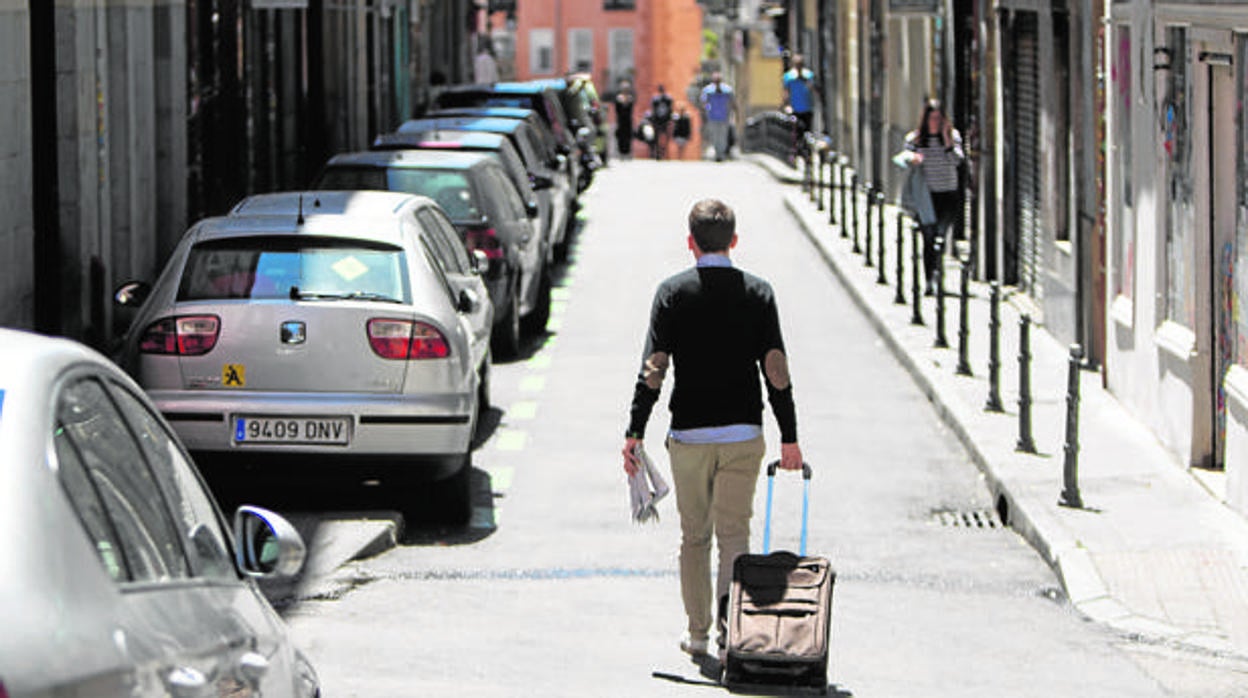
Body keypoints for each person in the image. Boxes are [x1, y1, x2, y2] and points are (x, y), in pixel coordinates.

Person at [622, 199, 804, 658]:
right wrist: (790, 438)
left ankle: (698, 632)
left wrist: (635, 431)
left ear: (691, 243)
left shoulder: (672, 293)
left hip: (689, 436)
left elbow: (654, 369)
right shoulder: (759, 293)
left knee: (694, 537)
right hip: (743, 433)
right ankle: (732, 634)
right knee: (735, 537)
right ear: (734, 242)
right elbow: (776, 371)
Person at [903, 100, 965, 296]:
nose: (935, 122)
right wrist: (911, 159)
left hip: (948, 195)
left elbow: (957, 160)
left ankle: (938, 277)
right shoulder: (915, 139)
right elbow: (904, 160)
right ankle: (930, 279)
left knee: (940, 237)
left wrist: (946, 140)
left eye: (939, 118)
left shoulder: (953, 137)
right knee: (928, 238)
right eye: (932, 118)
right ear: (925, 118)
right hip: (925, 197)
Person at [699, 72, 735, 162]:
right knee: (715, 136)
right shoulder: (708, 90)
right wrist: (708, 109)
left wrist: (730, 111)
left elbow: (732, 102)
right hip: (713, 116)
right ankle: (718, 153)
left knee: (722, 136)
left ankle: (720, 154)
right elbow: (704, 103)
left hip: (723, 116)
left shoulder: (727, 90)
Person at [782, 55, 817, 140]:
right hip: (794, 109)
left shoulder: (809, 75)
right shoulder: (788, 76)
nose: (798, 66)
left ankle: (806, 149)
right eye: (797, 64)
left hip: (807, 108)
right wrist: (786, 105)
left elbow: (812, 89)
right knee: (795, 131)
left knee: (807, 131)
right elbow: (786, 91)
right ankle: (797, 149)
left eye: (800, 64)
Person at [650, 84, 674, 160]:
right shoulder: (655, 99)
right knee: (657, 138)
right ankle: (658, 153)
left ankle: (664, 152)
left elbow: (670, 110)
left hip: (665, 120)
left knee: (665, 137)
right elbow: (653, 110)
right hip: (658, 120)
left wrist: (670, 120)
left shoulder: (668, 99)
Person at [614, 79, 635, 158]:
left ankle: (628, 152)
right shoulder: (619, 98)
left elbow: (630, 108)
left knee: (628, 136)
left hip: (628, 120)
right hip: (621, 120)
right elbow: (617, 109)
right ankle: (621, 152)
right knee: (620, 136)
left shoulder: (630, 98)